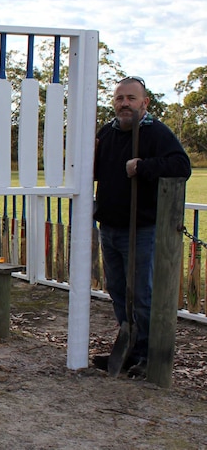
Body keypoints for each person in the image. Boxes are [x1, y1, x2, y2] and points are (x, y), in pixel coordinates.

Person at [93, 76, 191, 377]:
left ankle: (148, 356)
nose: (124, 104)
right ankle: (129, 349)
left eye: (131, 98)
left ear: (144, 102)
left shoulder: (155, 132)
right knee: (119, 291)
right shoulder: (107, 133)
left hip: (142, 229)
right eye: (119, 98)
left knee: (142, 294)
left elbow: (181, 166)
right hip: (109, 227)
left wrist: (143, 167)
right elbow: (95, 171)